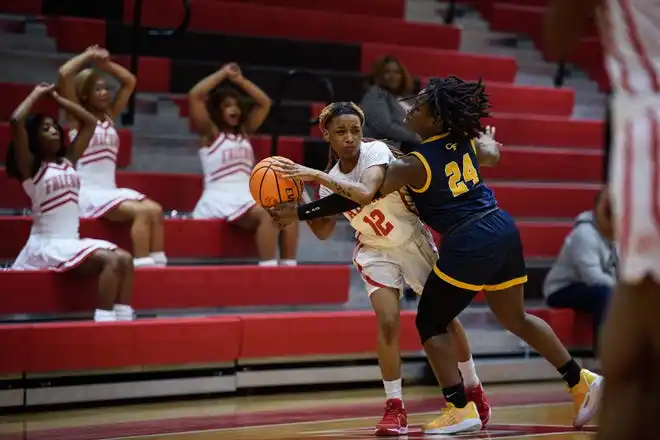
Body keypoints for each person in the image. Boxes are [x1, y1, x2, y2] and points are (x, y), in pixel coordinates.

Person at [271, 77, 603, 435]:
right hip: (502, 228)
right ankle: (580, 379)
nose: (409, 111)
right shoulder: (461, 141)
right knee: (516, 317)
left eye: (418, 107)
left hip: (469, 237)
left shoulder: (416, 162)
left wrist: (309, 187)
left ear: (433, 119)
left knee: (431, 322)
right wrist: (488, 143)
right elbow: (492, 154)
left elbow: (363, 195)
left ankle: (461, 407)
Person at [269, 102, 491, 435]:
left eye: (355, 130)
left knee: (444, 319)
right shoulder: (328, 183)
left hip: (411, 239)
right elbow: (325, 231)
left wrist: (314, 175)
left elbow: (363, 193)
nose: (349, 138)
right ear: (326, 134)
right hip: (375, 249)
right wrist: (297, 196)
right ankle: (394, 407)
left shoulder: (374, 152)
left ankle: (473, 387)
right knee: (387, 322)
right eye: (341, 131)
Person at [546, 1, 660, 439]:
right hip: (639, 134)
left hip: (650, 130)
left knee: (637, 360)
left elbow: (559, 34)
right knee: (630, 362)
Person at [6, 83, 135, 322]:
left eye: (55, 126)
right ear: (35, 138)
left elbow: (90, 122)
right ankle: (104, 321)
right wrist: (36, 95)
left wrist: (58, 99)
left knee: (126, 259)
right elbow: (16, 121)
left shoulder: (68, 160)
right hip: (48, 244)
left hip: (71, 241)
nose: (54, 130)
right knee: (111, 260)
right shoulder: (32, 169)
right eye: (46, 129)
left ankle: (124, 319)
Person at [58, 45, 167, 268]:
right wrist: (88, 55)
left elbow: (130, 81)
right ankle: (142, 262)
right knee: (141, 212)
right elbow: (64, 74)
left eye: (106, 88)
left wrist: (104, 65)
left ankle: (158, 262)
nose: (105, 93)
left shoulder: (110, 115)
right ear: (85, 94)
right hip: (89, 191)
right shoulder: (77, 117)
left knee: (155, 209)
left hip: (109, 189)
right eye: (98, 89)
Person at [188, 62, 298, 266]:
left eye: (236, 105)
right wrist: (223, 74)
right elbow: (195, 95)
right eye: (227, 105)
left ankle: (289, 265)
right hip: (221, 195)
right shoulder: (211, 133)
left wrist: (240, 81)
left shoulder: (245, 131)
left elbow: (264, 102)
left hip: (246, 192)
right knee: (269, 213)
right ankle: (268, 268)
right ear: (217, 110)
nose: (234, 109)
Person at [543, 188, 616, 353]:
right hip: (562, 289)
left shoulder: (618, 236)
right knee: (605, 295)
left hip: (596, 286)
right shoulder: (584, 234)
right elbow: (593, 277)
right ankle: (604, 353)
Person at [360, 56, 420, 147]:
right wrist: (416, 137)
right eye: (387, 72)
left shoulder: (405, 98)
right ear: (378, 75)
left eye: (397, 72)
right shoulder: (375, 94)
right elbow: (385, 127)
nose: (393, 76)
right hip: (386, 150)